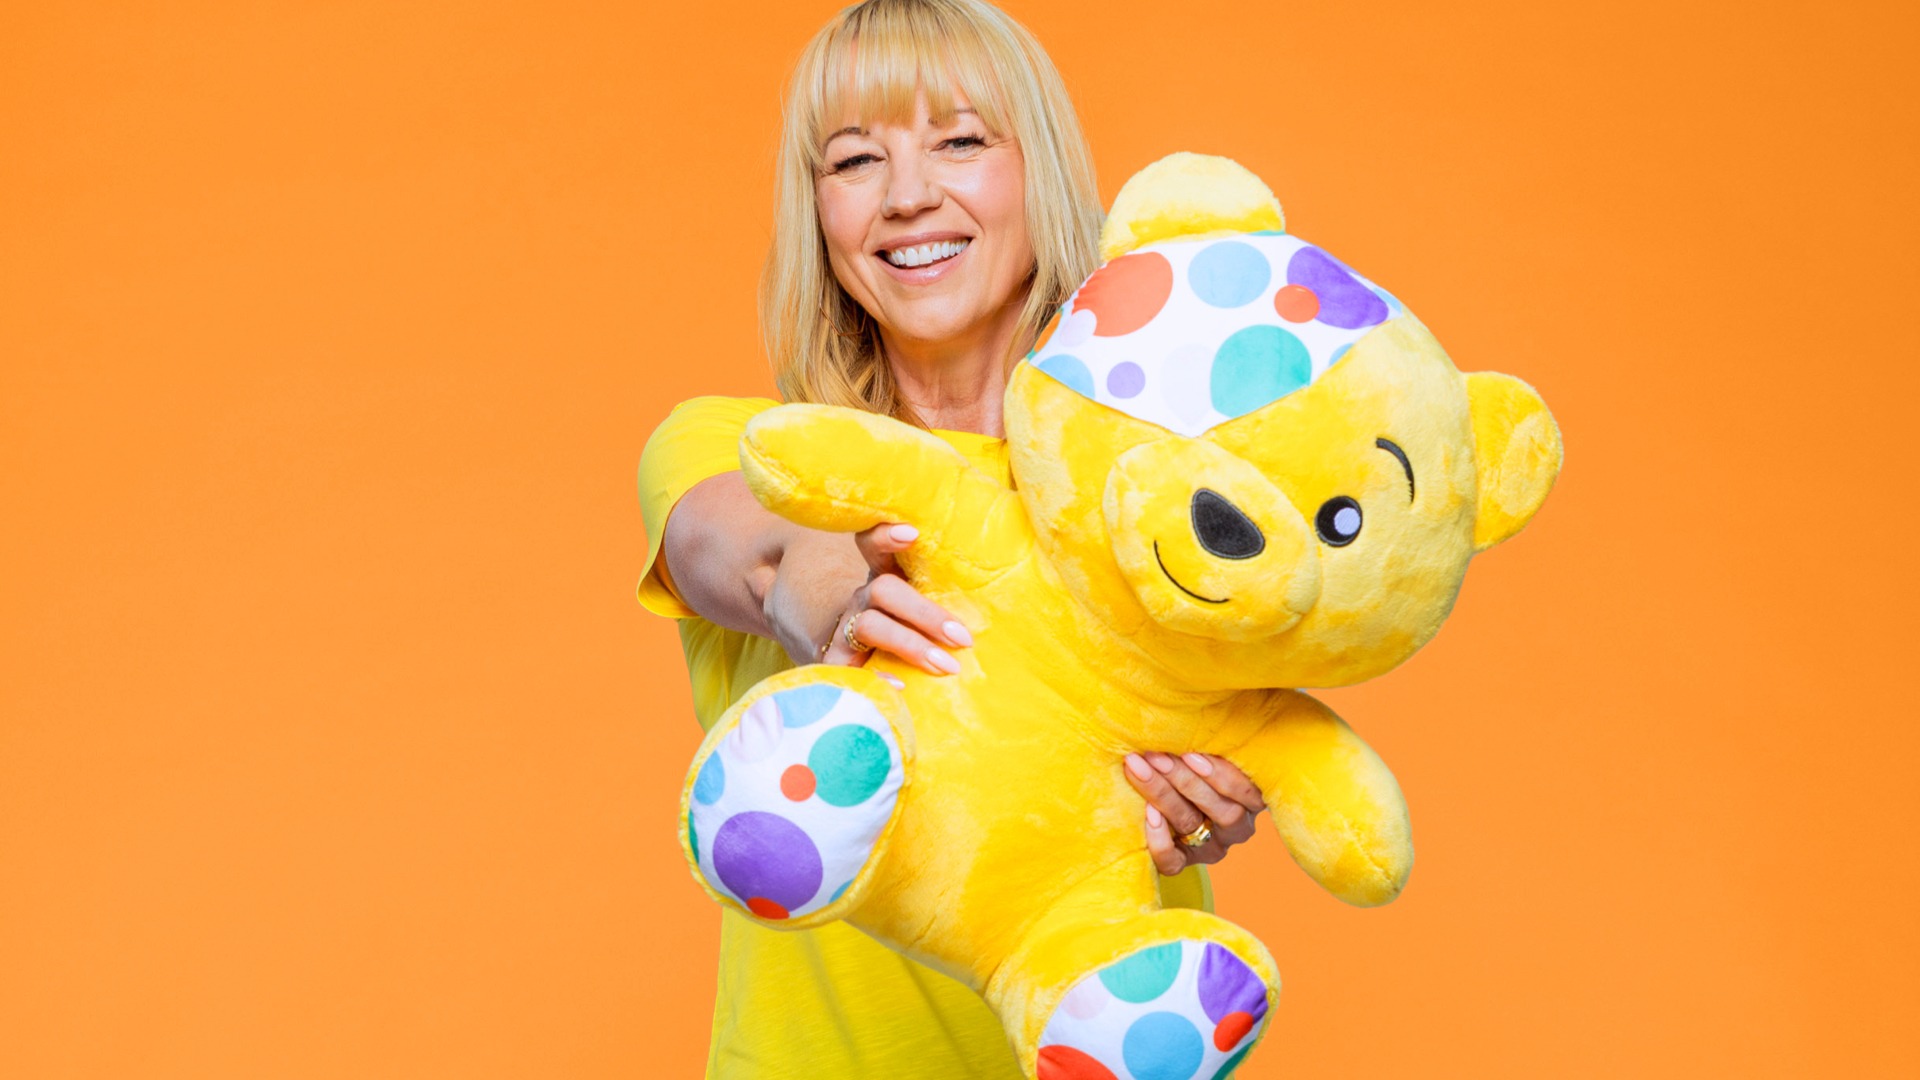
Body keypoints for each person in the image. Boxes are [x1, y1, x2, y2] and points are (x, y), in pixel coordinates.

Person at [636, 1, 1268, 1075]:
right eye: (855, 160)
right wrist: (844, 601)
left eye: (961, 141)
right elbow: (751, 549)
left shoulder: (1151, 494)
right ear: (819, 211)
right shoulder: (746, 447)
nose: (909, 194)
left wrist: (1209, 788)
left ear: (1040, 173)